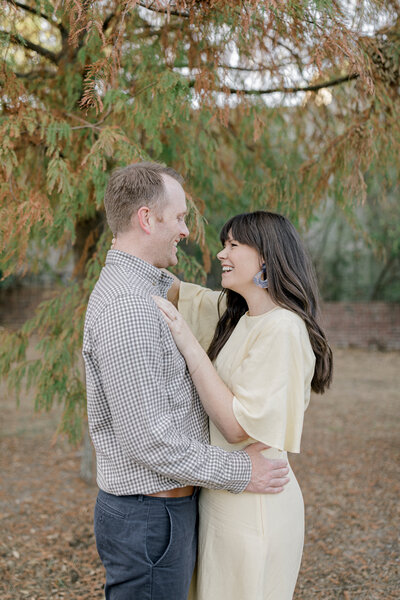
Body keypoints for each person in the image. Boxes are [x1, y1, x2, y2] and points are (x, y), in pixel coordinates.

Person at [82, 164, 290, 600]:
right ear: (146, 218)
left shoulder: (146, 294)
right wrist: (241, 471)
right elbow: (149, 441)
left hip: (159, 513)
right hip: (149, 517)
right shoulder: (129, 308)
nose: (185, 230)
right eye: (178, 217)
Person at [153, 210, 333, 600]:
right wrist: (128, 258)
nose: (221, 253)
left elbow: (238, 426)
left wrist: (186, 342)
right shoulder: (238, 316)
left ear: (266, 257)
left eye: (234, 245)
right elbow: (177, 294)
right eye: (224, 244)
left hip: (255, 508)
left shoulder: (283, 329)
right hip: (223, 496)